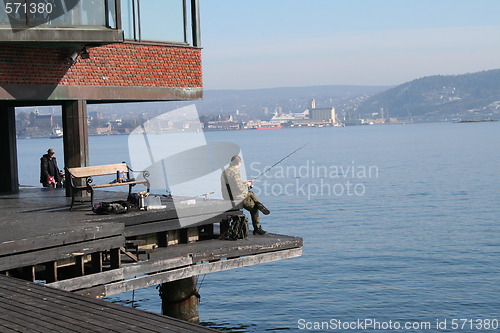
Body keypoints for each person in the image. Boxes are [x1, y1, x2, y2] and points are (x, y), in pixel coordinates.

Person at [221, 155, 270, 235]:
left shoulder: (225, 171)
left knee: (249, 193)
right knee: (254, 208)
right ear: (239, 163)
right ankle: (257, 228)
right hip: (236, 197)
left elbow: (233, 185)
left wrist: (245, 183)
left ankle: (259, 204)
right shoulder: (235, 172)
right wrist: (248, 184)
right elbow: (239, 188)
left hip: (227, 196)